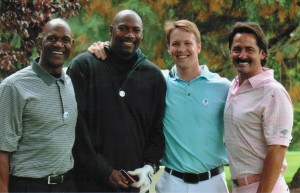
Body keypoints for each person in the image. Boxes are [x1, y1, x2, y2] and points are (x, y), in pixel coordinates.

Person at [89, 19, 230, 193]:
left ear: (198, 46)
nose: (181, 49)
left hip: (213, 183)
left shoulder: (223, 87)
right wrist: (105, 47)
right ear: (169, 48)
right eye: (176, 44)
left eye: (188, 43)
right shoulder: (159, 81)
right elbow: (127, 60)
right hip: (172, 183)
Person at [67, 9, 166, 192]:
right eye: (123, 28)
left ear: (142, 36)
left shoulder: (154, 77)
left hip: (131, 182)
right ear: (110, 31)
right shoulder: (84, 66)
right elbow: (75, 127)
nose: (130, 34)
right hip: (87, 183)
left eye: (136, 30)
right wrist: (104, 170)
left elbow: (156, 131)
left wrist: (149, 166)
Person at [0, 18, 77, 192]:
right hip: (29, 186)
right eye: (51, 38)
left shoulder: (69, 82)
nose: (58, 44)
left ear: (72, 45)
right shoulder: (14, 86)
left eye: (65, 40)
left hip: (67, 185)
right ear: (39, 42)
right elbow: (2, 149)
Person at [224, 22, 293, 193]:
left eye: (249, 49)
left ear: (262, 54)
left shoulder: (273, 91)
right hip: (239, 188)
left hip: (265, 188)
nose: (242, 55)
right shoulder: (233, 86)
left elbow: (277, 148)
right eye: (237, 49)